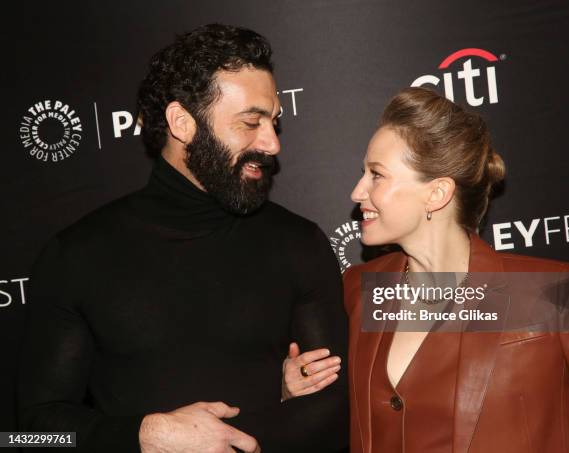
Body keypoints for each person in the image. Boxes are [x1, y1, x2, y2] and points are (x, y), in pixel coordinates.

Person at [18, 24, 348, 453]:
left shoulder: (297, 243)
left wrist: (237, 440)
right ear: (182, 123)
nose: (270, 143)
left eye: (273, 123)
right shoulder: (76, 255)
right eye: (251, 122)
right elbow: (30, 434)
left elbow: (338, 409)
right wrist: (145, 436)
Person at [283, 87, 569, 452]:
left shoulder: (557, 288)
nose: (357, 192)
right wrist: (292, 389)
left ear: (436, 194)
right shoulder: (359, 288)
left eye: (377, 175)